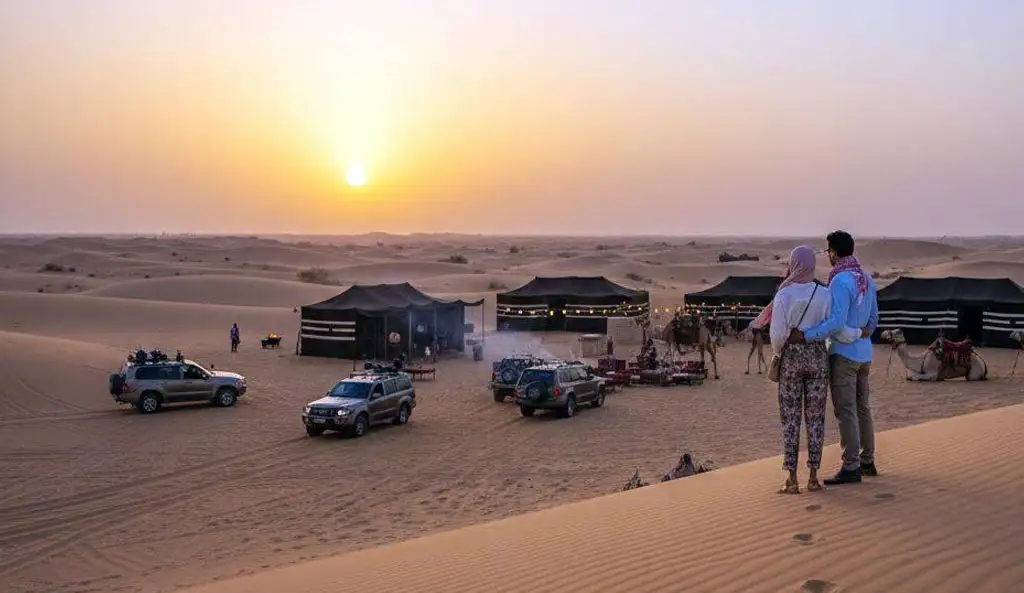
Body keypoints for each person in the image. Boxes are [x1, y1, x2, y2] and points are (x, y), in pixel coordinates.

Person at [787, 231, 879, 486]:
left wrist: (807, 336)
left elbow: (835, 323)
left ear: (834, 253)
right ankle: (867, 460)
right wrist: (861, 333)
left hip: (844, 356)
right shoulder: (867, 279)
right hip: (864, 354)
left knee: (846, 410)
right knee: (863, 407)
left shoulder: (840, 281)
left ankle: (851, 466)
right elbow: (873, 321)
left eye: (828, 251)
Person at [764, 246, 834, 493]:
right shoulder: (824, 294)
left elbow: (777, 336)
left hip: (792, 360)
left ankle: (791, 479)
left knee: (790, 420)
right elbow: (829, 328)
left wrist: (781, 350)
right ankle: (813, 476)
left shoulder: (784, 295)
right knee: (816, 419)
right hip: (817, 357)